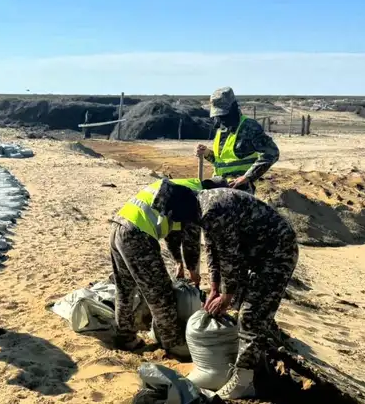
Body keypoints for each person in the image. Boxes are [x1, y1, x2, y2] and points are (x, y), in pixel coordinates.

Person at [197, 188, 299, 400]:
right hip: (253, 255)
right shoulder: (201, 206)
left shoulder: (213, 211)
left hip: (277, 254)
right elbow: (211, 248)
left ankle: (244, 381)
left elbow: (229, 257)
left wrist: (225, 296)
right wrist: (215, 287)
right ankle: (258, 356)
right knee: (239, 309)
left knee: (250, 316)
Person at [109, 177, 208, 357]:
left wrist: (178, 262)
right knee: (161, 294)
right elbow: (191, 240)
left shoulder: (182, 185)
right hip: (138, 234)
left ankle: (125, 337)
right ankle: (174, 343)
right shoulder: (196, 198)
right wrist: (193, 270)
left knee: (125, 288)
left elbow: (171, 230)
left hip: (119, 224)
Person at [195, 87, 279, 195]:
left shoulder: (249, 127)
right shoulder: (222, 129)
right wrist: (206, 153)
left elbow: (272, 153)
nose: (222, 118)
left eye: (224, 114)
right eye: (219, 115)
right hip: (219, 187)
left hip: (240, 191)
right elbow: (222, 162)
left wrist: (247, 177)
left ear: (233, 107)